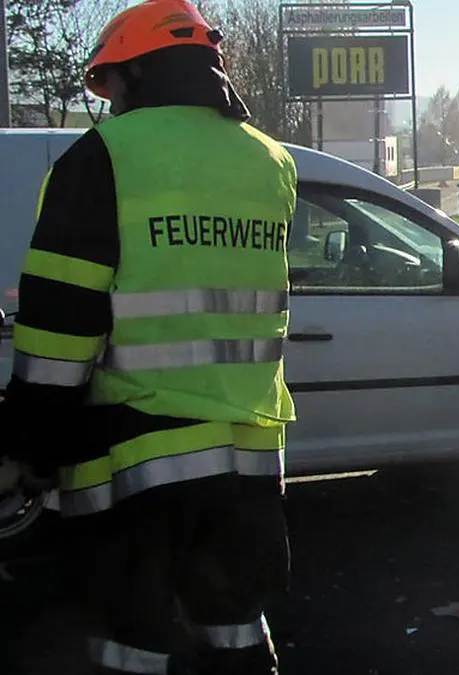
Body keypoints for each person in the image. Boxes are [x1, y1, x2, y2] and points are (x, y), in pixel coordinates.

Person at [0, 1, 297, 673]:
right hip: (250, 463)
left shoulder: (102, 158)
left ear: (135, 73)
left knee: (131, 645)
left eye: (112, 88)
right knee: (235, 632)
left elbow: (57, 334)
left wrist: (27, 447)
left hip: (137, 465)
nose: (110, 105)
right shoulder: (272, 163)